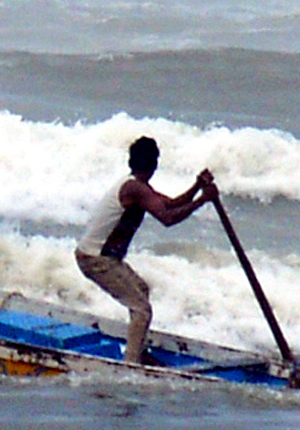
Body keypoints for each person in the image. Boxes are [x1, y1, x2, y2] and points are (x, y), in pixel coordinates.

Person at [74, 136, 218, 365]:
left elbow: (170, 204)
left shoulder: (138, 187)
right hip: (95, 259)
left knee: (141, 289)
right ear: (154, 164)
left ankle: (137, 350)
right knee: (142, 309)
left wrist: (197, 188)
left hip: (103, 257)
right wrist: (202, 201)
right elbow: (168, 218)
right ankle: (131, 364)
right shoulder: (134, 188)